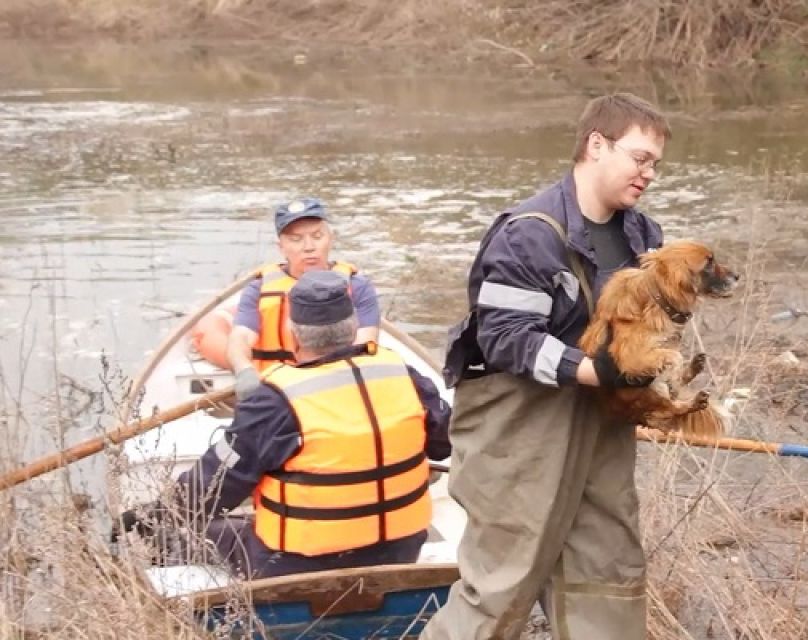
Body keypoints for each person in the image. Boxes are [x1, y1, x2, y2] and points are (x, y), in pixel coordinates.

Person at [423, 93, 670, 640]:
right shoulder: (530, 232)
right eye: (640, 158)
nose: (649, 173)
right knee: (502, 586)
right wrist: (599, 371)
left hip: (600, 425)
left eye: (655, 163)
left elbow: (644, 327)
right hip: (517, 428)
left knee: (608, 573)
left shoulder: (643, 236)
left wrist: (650, 381)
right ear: (596, 145)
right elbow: (506, 338)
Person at [118, 270, 452, 579]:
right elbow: (443, 443)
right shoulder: (404, 375)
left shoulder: (274, 398)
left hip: (297, 563)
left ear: (293, 332)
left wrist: (154, 514)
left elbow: (216, 485)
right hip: (400, 551)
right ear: (353, 325)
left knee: (199, 531)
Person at [227, 197, 381, 401]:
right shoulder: (258, 289)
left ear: (330, 238)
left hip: (339, 388)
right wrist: (244, 370)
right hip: (276, 392)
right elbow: (241, 337)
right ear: (281, 247)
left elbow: (365, 344)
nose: (309, 247)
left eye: (317, 236)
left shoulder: (357, 286)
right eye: (296, 239)